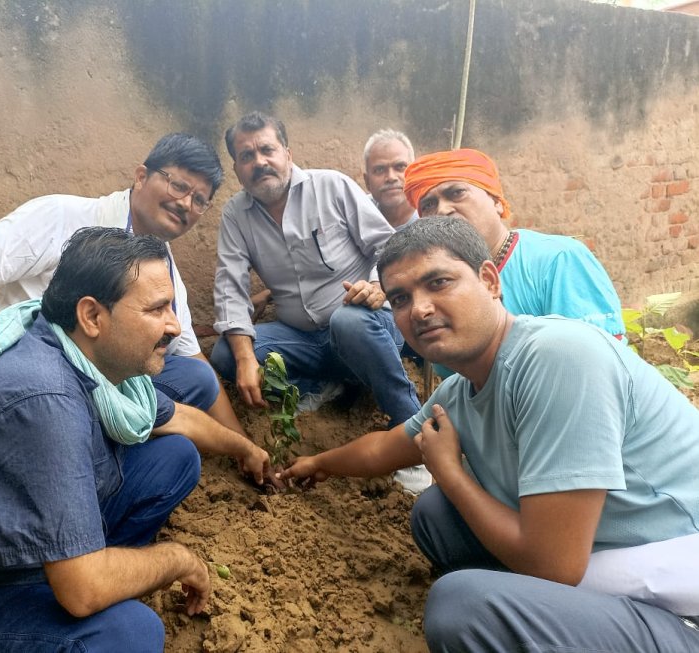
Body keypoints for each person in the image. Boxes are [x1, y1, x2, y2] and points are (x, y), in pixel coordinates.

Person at [280, 217, 699, 652]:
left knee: (460, 608)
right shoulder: (461, 389)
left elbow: (554, 567)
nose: (419, 309)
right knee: (435, 514)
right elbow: (387, 447)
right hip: (599, 562)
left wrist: (450, 473)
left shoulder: (559, 358)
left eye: (439, 282)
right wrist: (318, 463)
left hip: (679, 595)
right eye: (401, 298)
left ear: (488, 280)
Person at [0, 228, 271, 653]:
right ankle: (86, 576)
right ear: (92, 317)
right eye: (158, 309)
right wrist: (178, 559)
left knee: (174, 456)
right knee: (129, 633)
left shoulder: (88, 360)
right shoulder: (45, 398)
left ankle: (89, 568)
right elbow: (81, 593)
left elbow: (181, 419)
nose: (175, 326)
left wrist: (246, 448)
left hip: (26, 560)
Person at [0, 132, 246, 436]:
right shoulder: (62, 216)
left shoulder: (163, 267)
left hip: (79, 392)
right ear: (141, 176)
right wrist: (36, 369)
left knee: (194, 381)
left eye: (200, 200)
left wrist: (244, 443)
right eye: (178, 185)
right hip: (3, 389)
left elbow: (190, 357)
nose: (186, 204)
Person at [210, 111, 421, 428]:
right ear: (238, 171)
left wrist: (378, 287)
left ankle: (411, 425)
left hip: (363, 327)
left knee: (348, 321)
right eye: (247, 156)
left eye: (268, 150)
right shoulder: (236, 216)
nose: (259, 162)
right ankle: (322, 386)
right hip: (301, 341)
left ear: (288, 154)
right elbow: (230, 289)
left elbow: (387, 245)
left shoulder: (332, 187)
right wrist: (244, 360)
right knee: (227, 354)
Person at [403, 148, 625, 355]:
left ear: (497, 202)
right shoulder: (436, 286)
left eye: (457, 193)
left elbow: (598, 360)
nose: (443, 209)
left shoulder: (558, 259)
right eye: (429, 205)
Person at [362, 128, 418, 230]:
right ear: (367, 182)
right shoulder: (358, 216)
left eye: (400, 167)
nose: (391, 177)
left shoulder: (432, 215)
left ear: (415, 172)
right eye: (379, 170)